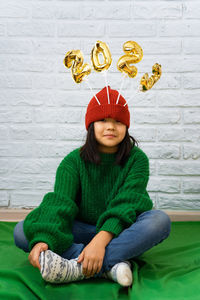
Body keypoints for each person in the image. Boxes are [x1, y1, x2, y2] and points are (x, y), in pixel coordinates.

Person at [14, 86, 171, 287]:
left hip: (119, 231)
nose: (111, 127)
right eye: (103, 120)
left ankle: (74, 266)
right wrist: (44, 239)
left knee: (159, 220)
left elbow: (128, 204)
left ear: (127, 126)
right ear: (91, 125)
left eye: (118, 121)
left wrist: (100, 241)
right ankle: (110, 266)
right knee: (22, 231)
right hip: (80, 228)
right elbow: (60, 203)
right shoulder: (73, 161)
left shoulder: (137, 159)